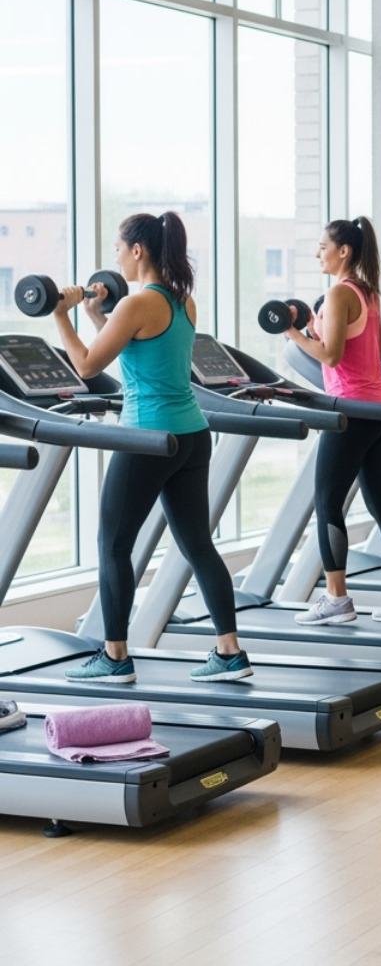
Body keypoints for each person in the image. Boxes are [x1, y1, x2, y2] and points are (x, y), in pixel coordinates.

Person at [53, 212, 252, 683]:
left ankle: (115, 656)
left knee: (113, 544)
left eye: (118, 248)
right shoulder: (183, 301)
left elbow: (84, 365)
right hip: (190, 436)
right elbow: (139, 346)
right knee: (198, 545)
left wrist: (60, 315)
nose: (115, 257)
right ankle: (230, 652)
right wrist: (95, 314)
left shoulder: (136, 305)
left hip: (146, 438)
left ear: (137, 251)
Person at [283, 217, 381, 625]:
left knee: (328, 502)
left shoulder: (337, 293)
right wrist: (314, 327)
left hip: (351, 410)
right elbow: (373, 349)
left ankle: (336, 599)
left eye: (321, 246)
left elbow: (329, 356)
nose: (317, 253)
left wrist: (293, 332)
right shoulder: (367, 293)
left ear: (343, 251)